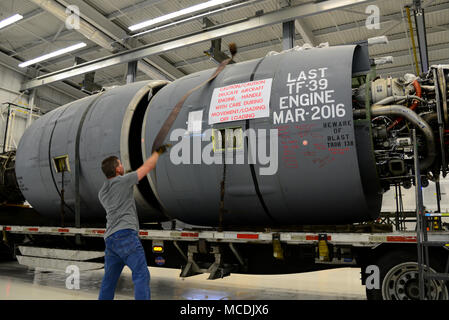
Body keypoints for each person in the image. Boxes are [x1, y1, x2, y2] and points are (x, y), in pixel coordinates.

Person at [98, 144, 170, 300]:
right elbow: (147, 167)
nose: (122, 166)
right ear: (117, 169)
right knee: (141, 275)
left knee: (108, 282)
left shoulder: (102, 191)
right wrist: (158, 153)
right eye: (120, 164)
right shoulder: (124, 181)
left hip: (110, 240)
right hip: (126, 236)